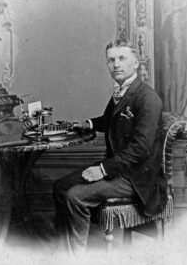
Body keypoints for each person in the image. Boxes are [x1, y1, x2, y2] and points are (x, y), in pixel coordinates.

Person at [53, 38, 167, 255]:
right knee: (59, 187)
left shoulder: (148, 98)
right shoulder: (121, 92)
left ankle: (75, 257)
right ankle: (63, 252)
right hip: (120, 168)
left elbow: (140, 148)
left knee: (75, 196)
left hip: (137, 178)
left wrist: (103, 170)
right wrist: (88, 124)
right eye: (111, 60)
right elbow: (111, 120)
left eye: (122, 58)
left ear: (136, 62)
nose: (116, 64)